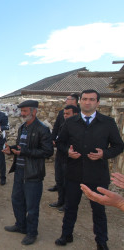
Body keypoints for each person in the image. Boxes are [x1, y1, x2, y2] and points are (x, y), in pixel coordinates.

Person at [54, 89, 124, 249]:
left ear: (97, 103)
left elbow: (119, 146)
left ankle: (101, 242)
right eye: (85, 99)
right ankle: (66, 235)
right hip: (74, 173)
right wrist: (68, 152)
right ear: (80, 102)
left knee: (99, 210)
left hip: (97, 175)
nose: (88, 102)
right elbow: (60, 143)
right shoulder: (70, 122)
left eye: (92, 99)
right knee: (70, 207)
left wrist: (104, 154)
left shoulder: (108, 122)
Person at [3, 100, 53, 245]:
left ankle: (32, 233)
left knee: (31, 206)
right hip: (19, 171)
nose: (22, 114)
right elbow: (20, 146)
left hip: (33, 174)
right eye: (22, 111)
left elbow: (48, 151)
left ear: (34, 111)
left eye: (25, 111)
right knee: (17, 200)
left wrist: (24, 151)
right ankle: (21, 225)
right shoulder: (22, 127)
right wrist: (11, 149)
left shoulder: (42, 129)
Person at [49, 105, 79, 212]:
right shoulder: (64, 125)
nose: (65, 116)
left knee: (68, 182)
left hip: (71, 160)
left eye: (68, 114)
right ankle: (60, 200)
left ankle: (67, 204)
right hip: (61, 156)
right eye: (64, 114)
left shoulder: (80, 128)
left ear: (75, 114)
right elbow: (59, 142)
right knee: (59, 180)